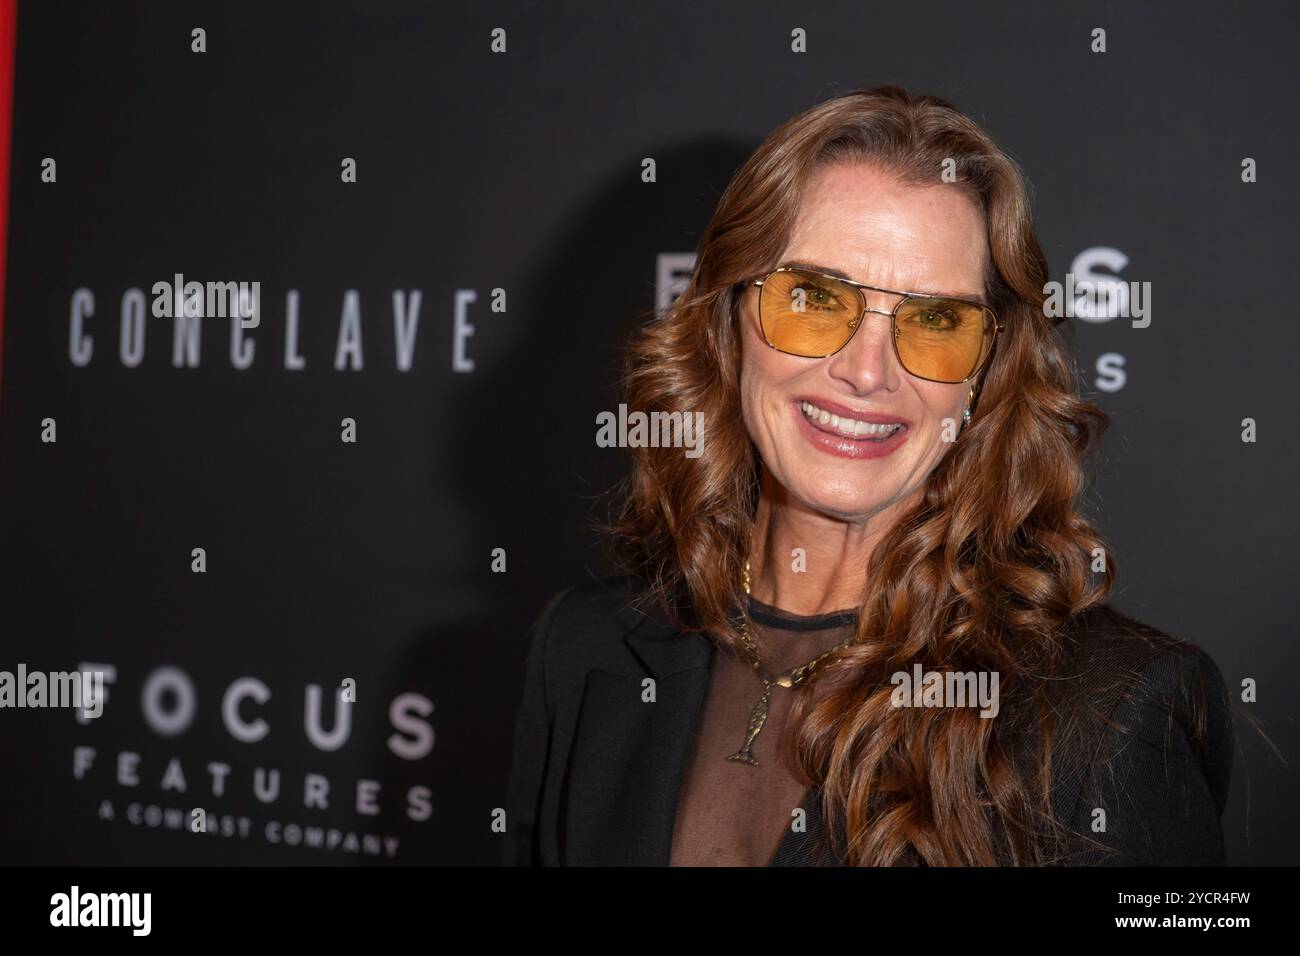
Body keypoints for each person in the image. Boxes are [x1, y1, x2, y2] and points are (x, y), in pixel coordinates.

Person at [504, 84, 1234, 866]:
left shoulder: (1107, 711)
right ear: (727, 320)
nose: (867, 372)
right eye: (815, 297)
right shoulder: (585, 649)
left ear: (986, 373)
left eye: (935, 320)